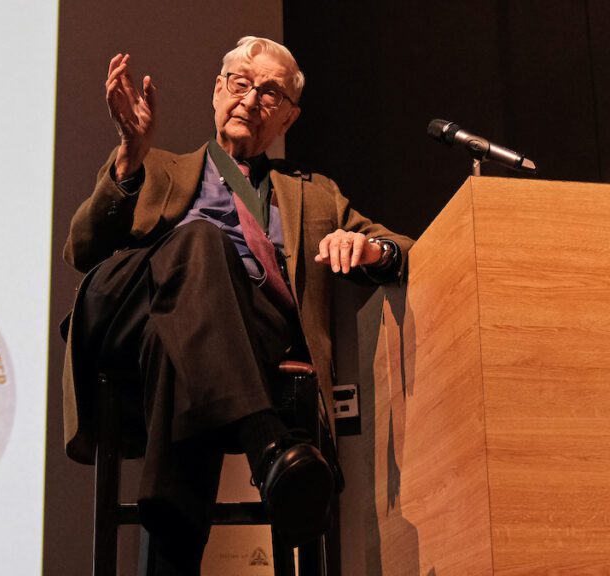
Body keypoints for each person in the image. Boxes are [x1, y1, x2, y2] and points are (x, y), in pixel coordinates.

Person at [62, 36, 414, 574]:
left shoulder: (315, 194)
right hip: (128, 307)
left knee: (179, 346)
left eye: (269, 93)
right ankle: (267, 443)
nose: (250, 100)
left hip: (235, 330)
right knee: (201, 241)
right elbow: (83, 251)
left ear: (288, 118)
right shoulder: (159, 168)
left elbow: (405, 249)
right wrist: (130, 156)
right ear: (216, 93)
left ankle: (170, 559)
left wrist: (370, 248)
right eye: (240, 84)